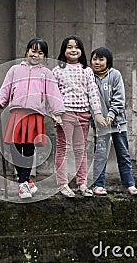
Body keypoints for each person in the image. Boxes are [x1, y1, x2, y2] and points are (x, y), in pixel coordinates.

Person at [0, 38, 65, 199]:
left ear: (44, 56)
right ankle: (25, 181)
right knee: (15, 148)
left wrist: (57, 112)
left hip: (34, 114)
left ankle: (23, 182)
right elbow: (5, 89)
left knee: (29, 148)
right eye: (33, 50)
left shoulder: (46, 73)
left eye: (40, 52)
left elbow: (52, 93)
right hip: (17, 113)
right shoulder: (15, 70)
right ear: (27, 51)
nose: (36, 55)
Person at [52, 35, 107, 198]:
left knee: (81, 150)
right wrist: (55, 113)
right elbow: (52, 94)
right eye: (69, 47)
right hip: (65, 114)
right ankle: (62, 184)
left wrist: (97, 113)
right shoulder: (57, 70)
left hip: (83, 114)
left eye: (76, 47)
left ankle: (82, 183)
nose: (73, 50)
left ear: (81, 51)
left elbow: (93, 92)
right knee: (63, 148)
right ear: (64, 50)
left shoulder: (87, 70)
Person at [90, 47, 137, 195]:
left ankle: (129, 184)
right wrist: (97, 118)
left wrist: (111, 114)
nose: (97, 62)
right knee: (100, 154)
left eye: (101, 59)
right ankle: (98, 185)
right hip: (100, 125)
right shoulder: (89, 76)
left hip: (118, 123)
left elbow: (119, 98)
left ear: (108, 61)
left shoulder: (115, 75)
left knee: (123, 154)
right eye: (94, 59)